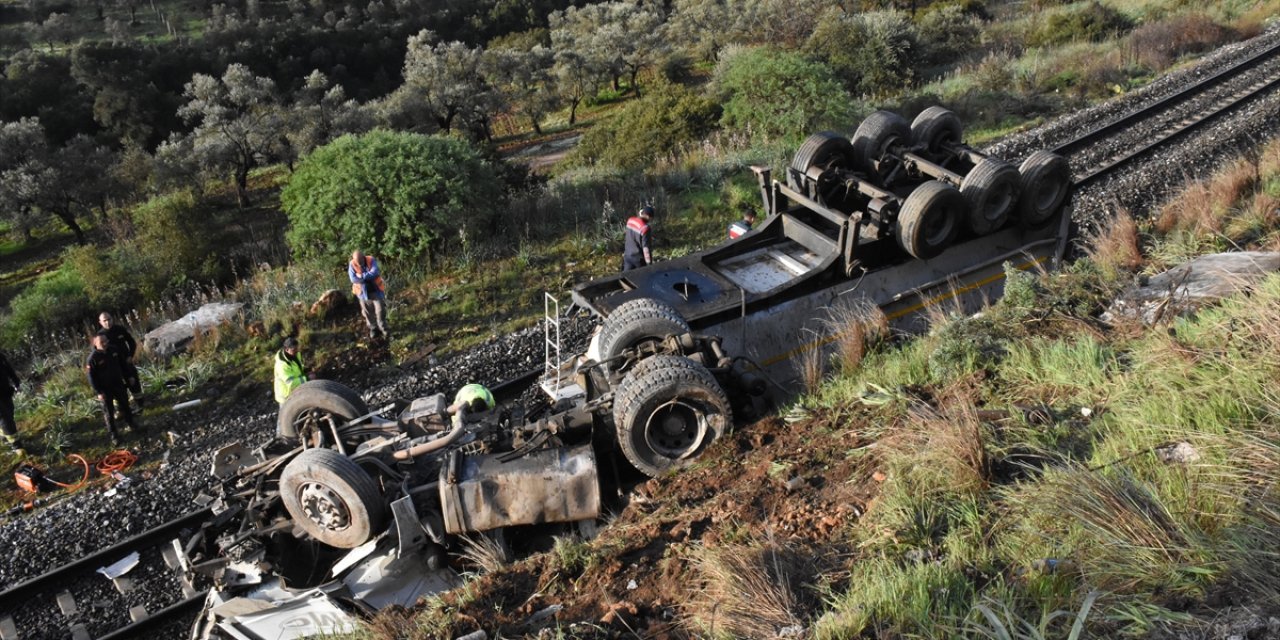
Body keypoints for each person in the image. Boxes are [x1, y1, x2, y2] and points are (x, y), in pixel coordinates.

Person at [86, 334, 137, 445]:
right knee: (109, 413)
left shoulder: (113, 350)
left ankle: (131, 424)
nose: (105, 344)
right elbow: (91, 378)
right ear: (95, 344)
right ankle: (114, 435)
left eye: (106, 341)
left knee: (125, 405)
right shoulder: (93, 358)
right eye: (102, 342)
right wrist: (99, 392)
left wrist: (129, 376)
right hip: (105, 389)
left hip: (118, 384)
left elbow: (123, 365)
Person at [97, 312, 141, 406]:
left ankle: (140, 403)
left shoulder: (120, 329)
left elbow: (131, 342)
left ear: (112, 319)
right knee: (117, 387)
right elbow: (98, 353)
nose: (107, 322)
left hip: (126, 361)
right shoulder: (100, 336)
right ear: (100, 322)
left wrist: (130, 355)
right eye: (105, 320)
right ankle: (123, 408)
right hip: (113, 366)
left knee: (133, 381)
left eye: (109, 319)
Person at [348, 250, 389, 340]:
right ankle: (373, 329)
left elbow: (374, 273)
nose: (359, 264)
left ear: (363, 257)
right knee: (367, 312)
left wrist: (361, 276)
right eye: (357, 262)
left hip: (376, 290)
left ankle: (383, 328)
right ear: (354, 259)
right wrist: (367, 276)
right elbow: (353, 279)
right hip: (363, 293)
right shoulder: (352, 264)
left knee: (380, 310)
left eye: (361, 261)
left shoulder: (371, 259)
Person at [0, 350, 24, 452]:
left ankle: (3, 434)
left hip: (4, 390)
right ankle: (17, 446)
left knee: (9, 413)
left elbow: (7, 368)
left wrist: (16, 382)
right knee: (4, 417)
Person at [274, 337, 307, 405]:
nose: (297, 351)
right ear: (287, 349)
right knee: (287, 412)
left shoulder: (296, 354)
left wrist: (306, 371)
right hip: (286, 396)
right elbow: (291, 383)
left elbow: (297, 368)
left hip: (295, 392)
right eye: (294, 349)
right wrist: (307, 378)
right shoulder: (282, 365)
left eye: (297, 348)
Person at [622, 205, 654, 272]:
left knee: (626, 276)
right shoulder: (645, 228)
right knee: (644, 276)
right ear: (648, 216)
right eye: (651, 218)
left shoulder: (630, 220)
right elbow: (646, 248)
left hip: (627, 256)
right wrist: (649, 264)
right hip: (638, 260)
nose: (651, 220)